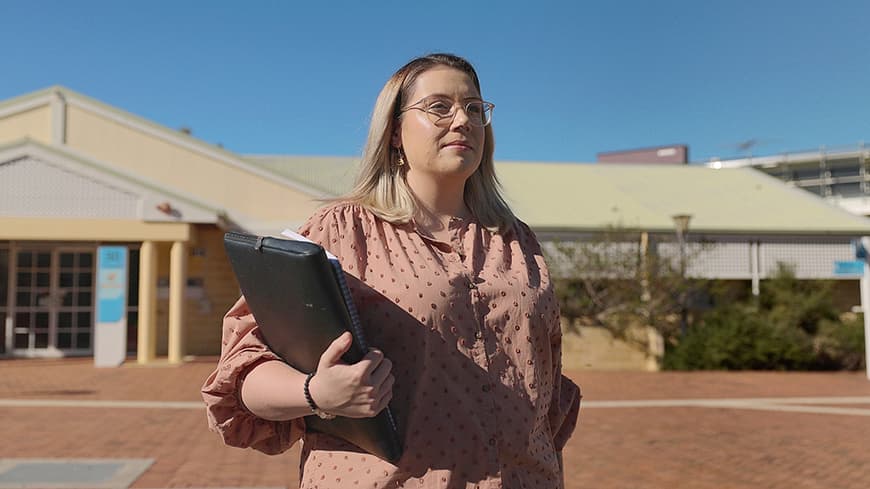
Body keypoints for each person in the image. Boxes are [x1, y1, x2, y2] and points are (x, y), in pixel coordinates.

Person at [202, 53, 581, 489]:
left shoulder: (518, 241)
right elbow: (244, 372)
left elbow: (547, 393)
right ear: (395, 132)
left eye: (475, 108)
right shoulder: (341, 230)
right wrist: (317, 393)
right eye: (439, 106)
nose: (463, 120)